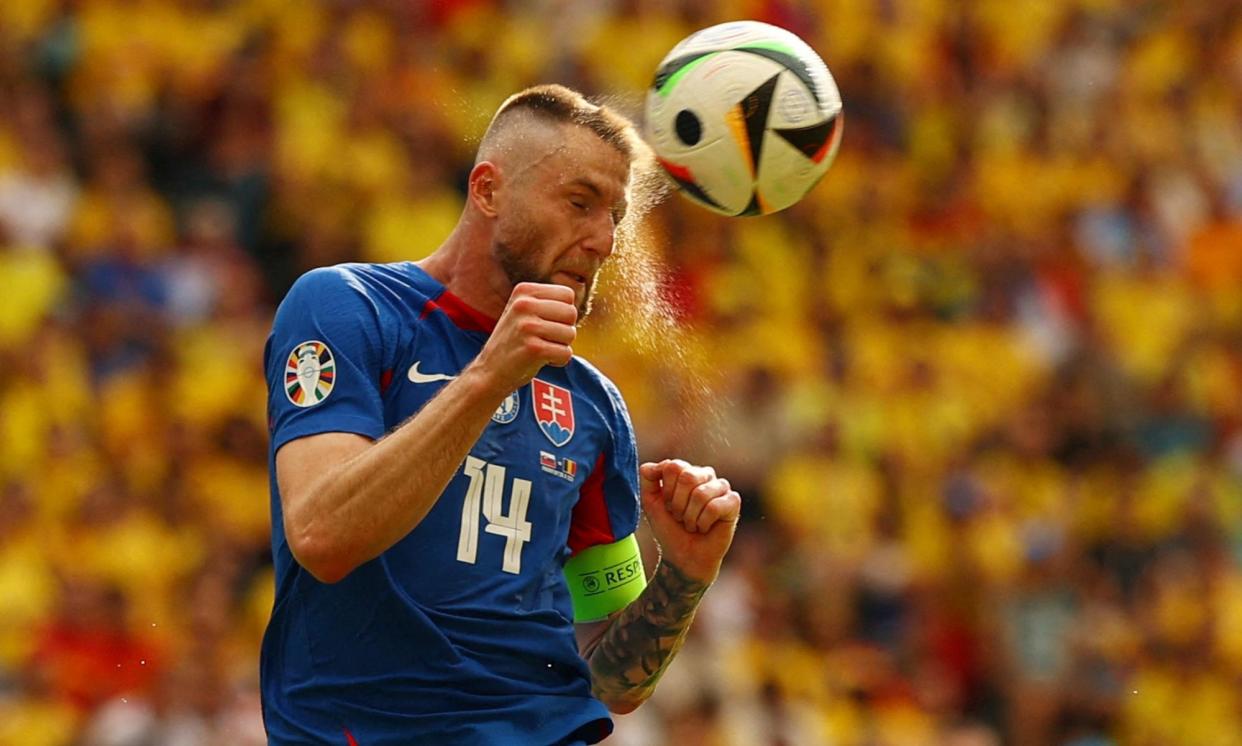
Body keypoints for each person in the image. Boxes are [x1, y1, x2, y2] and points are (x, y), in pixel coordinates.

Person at [261, 84, 742, 744]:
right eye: (580, 203)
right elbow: (321, 536)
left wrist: (683, 577)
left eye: (615, 216)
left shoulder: (593, 405)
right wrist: (488, 376)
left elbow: (611, 681)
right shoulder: (348, 309)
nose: (604, 239)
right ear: (488, 191)